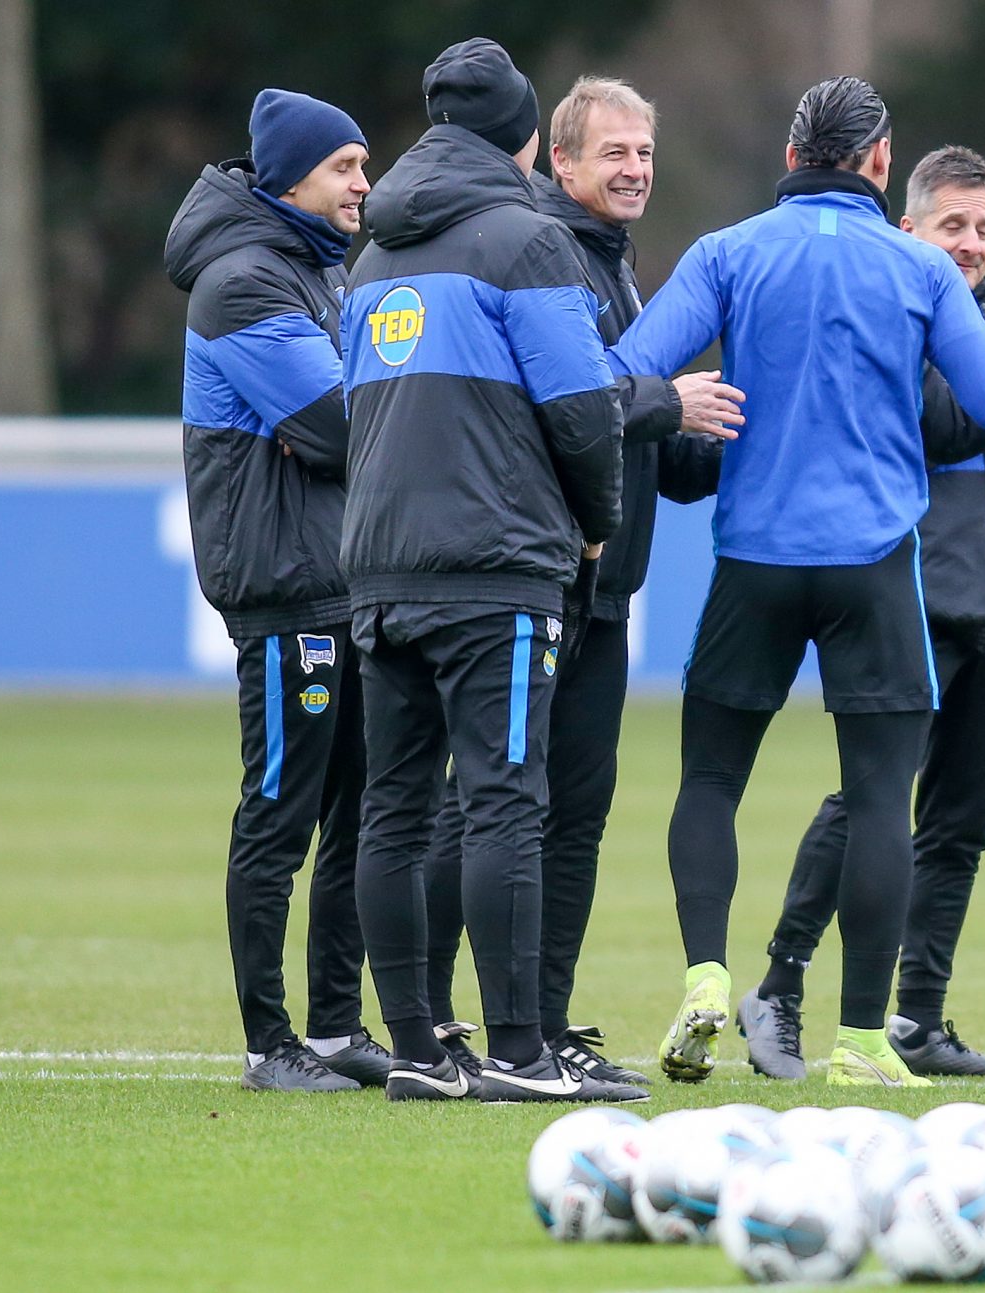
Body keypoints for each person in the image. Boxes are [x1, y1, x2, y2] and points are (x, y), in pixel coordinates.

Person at [612, 76, 985, 1088]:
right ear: (879, 163)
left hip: (754, 559)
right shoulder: (919, 265)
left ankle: (705, 976)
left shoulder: (726, 252)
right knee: (877, 800)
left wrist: (676, 404)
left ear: (791, 157)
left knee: (710, 781)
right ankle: (863, 1040)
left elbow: (624, 371)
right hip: (871, 564)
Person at [417, 75, 737, 1087]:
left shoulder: (615, 265)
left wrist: (726, 437)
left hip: (604, 593)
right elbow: (553, 409)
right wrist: (663, 402)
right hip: (537, 577)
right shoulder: (543, 252)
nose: (635, 170)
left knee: (573, 810)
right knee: (489, 805)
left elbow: (650, 450)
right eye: (613, 153)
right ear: (559, 161)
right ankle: (428, 1021)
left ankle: (544, 1025)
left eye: (644, 152)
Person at [341, 38, 637, 1104]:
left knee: (393, 808)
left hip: (381, 568)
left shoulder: (371, 256)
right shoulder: (527, 242)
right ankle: (518, 1050)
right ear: (523, 136)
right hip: (495, 567)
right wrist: (595, 528)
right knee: (508, 800)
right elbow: (582, 412)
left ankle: (418, 1051)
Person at [737, 146, 985, 1081]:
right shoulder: (897, 321)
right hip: (914, 598)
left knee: (960, 825)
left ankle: (917, 1018)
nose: (972, 244)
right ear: (908, 230)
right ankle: (780, 983)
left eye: (984, 228)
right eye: (954, 226)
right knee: (871, 804)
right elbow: (939, 423)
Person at [166, 88, 387, 1092]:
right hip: (289, 586)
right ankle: (268, 1044)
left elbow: (344, 422)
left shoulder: (316, 270)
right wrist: (355, 412)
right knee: (280, 812)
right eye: (344, 166)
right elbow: (345, 426)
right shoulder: (243, 281)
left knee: (358, 812)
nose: (363, 183)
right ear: (291, 177)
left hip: (344, 577)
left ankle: (335, 1031)